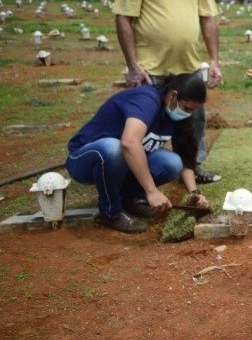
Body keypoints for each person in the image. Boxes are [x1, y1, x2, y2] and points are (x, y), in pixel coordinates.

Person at [113, 0, 222, 184]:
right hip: (149, 68)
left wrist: (215, 60)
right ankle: (142, 177)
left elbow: (208, 18)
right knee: (145, 125)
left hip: (189, 65)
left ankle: (193, 168)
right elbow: (124, 17)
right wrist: (133, 65)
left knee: (193, 122)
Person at [66, 73, 210, 234]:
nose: (188, 114)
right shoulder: (147, 100)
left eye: (192, 111)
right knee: (115, 147)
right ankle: (110, 212)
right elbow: (130, 142)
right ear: (173, 95)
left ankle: (129, 198)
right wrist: (151, 191)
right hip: (83, 160)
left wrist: (194, 194)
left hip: (121, 163)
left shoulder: (175, 114)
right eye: (187, 108)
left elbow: (185, 158)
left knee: (172, 163)